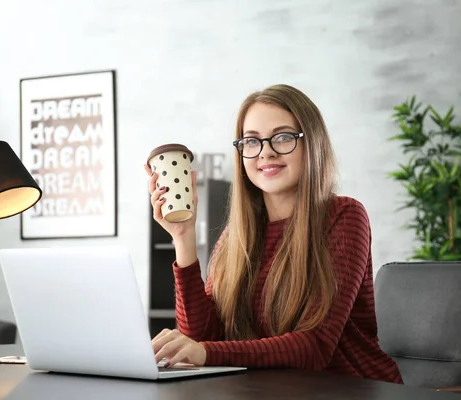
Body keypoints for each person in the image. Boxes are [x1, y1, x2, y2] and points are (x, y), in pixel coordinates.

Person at [144, 84, 403, 383]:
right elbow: (204, 336)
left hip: (350, 389)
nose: (265, 152)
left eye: (282, 137)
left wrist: (205, 352)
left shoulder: (344, 217)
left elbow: (315, 347)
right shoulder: (236, 235)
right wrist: (182, 237)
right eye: (251, 141)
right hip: (268, 390)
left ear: (312, 144)